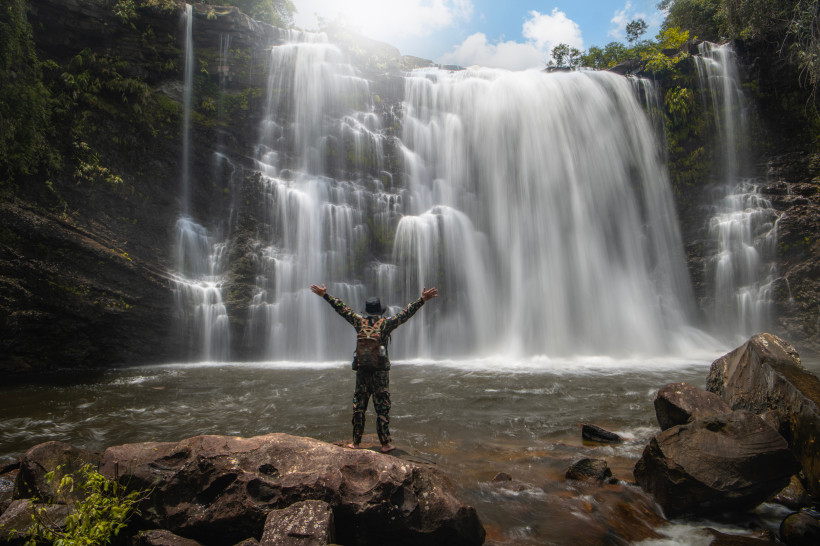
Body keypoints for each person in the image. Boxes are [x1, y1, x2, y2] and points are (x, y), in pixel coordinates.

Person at [310, 283, 438, 453]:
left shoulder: (358, 322)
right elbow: (405, 314)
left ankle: (355, 443)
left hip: (362, 371)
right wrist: (422, 300)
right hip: (380, 373)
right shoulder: (385, 324)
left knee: (359, 406)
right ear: (380, 311)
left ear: (366, 311)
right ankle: (385, 444)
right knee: (382, 408)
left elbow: (342, 309)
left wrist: (325, 295)